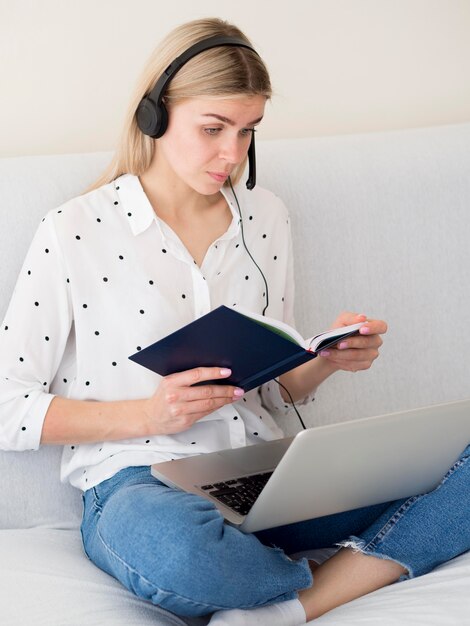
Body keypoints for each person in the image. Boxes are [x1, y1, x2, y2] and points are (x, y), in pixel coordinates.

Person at [0, 17, 468, 626]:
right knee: (180, 555)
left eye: (248, 133)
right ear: (155, 115)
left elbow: (277, 385)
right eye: (213, 129)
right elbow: (7, 404)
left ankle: (291, 605)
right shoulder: (74, 230)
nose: (232, 155)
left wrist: (322, 361)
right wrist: (148, 414)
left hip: (267, 470)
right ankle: (332, 573)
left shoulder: (265, 215)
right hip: (142, 485)